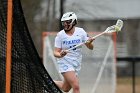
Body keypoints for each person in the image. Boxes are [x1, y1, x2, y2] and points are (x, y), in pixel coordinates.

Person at [53, 12, 94, 93]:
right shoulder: (60, 35)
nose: (65, 24)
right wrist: (61, 55)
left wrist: (89, 43)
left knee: (66, 88)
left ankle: (48, 81)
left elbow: (91, 48)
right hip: (65, 62)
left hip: (76, 63)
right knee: (76, 86)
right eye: (63, 22)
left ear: (74, 22)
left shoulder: (81, 32)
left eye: (67, 22)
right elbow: (55, 52)